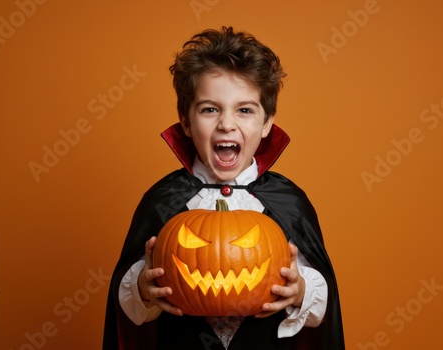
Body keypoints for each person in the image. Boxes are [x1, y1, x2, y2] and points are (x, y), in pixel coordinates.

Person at [103, 26, 345, 349]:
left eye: (244, 110)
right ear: (186, 122)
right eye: (210, 109)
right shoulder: (162, 201)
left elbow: (322, 310)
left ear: (267, 122)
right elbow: (127, 308)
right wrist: (142, 289)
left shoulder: (289, 203)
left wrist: (301, 291)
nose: (226, 124)